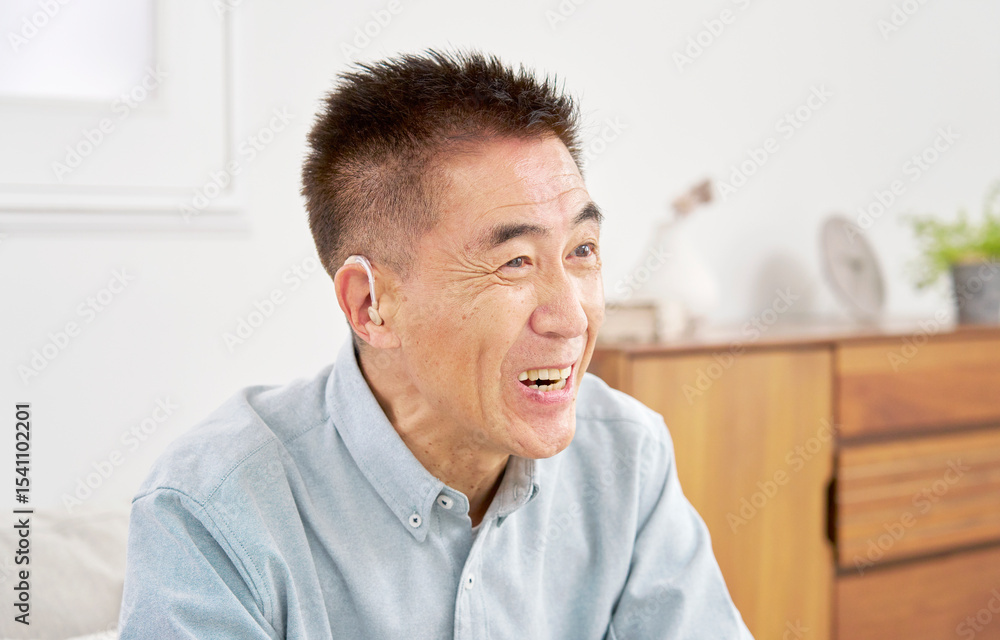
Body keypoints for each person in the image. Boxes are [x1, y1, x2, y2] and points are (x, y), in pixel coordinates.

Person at [118, 49, 753, 639]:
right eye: (514, 262)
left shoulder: (626, 456)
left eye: (581, 250)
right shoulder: (212, 512)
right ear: (371, 306)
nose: (571, 318)